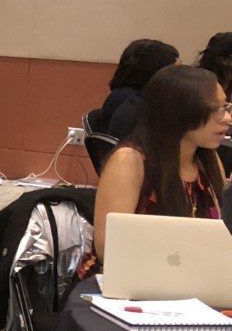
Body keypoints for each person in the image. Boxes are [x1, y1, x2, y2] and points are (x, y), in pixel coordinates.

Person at [87, 65, 229, 266]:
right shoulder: (129, 161)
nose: (227, 119)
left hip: (194, 278)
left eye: (226, 107)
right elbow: (107, 249)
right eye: (217, 110)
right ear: (182, 111)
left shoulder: (208, 160)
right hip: (130, 279)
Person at [100, 39, 179, 140]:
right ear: (156, 73)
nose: (181, 77)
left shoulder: (127, 95)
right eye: (175, 72)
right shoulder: (129, 102)